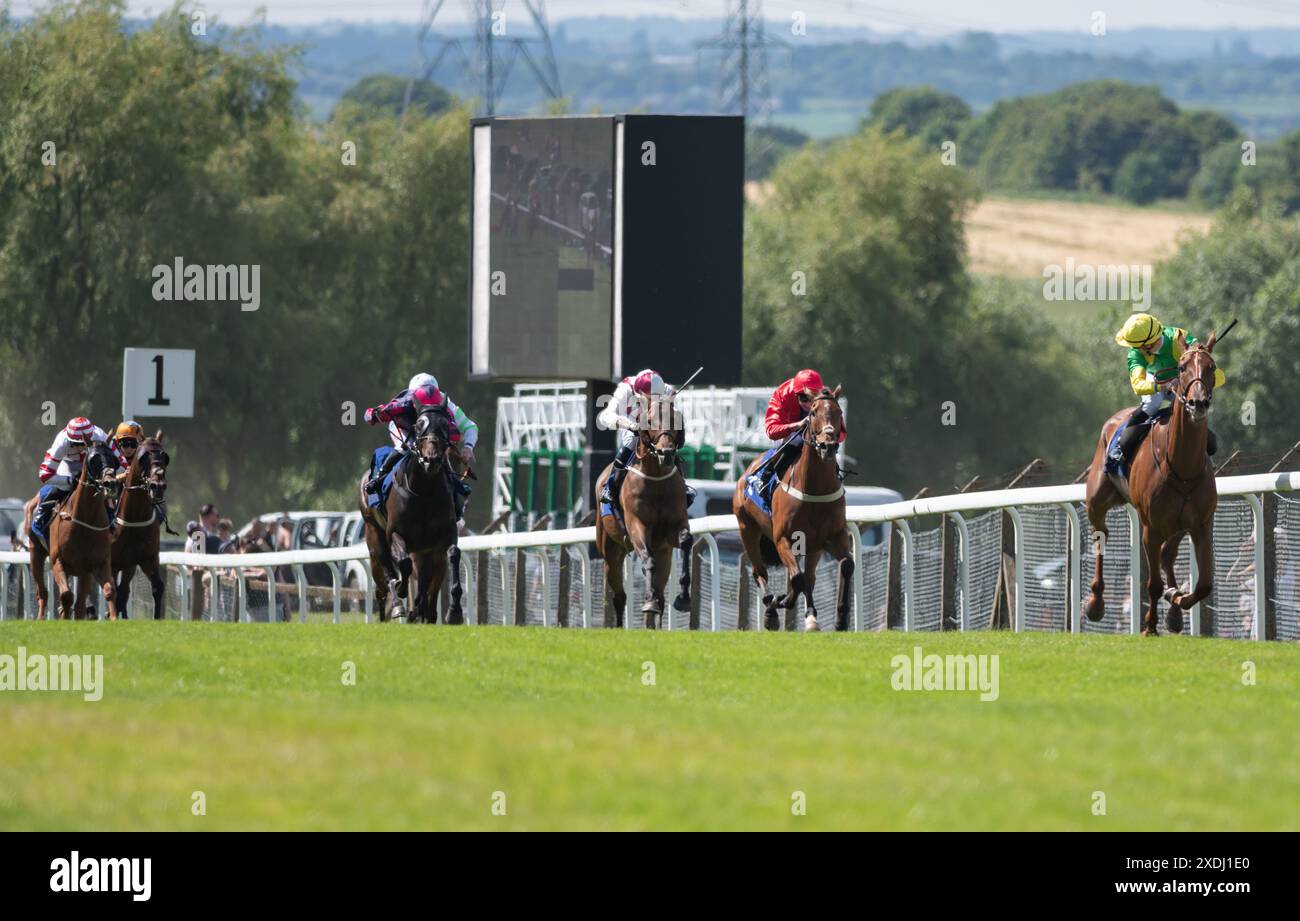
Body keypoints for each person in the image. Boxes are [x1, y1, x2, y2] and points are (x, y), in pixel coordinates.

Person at [1109, 313, 1225, 470]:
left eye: (1138, 346)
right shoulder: (1136, 354)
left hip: (1182, 378)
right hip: (1154, 380)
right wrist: (1162, 386)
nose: (1135, 349)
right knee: (1152, 403)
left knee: (1190, 408)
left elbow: (1196, 362)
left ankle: (1205, 454)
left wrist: (1201, 352)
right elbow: (1138, 385)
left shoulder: (1178, 337)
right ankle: (1119, 446)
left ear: (1148, 344)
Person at [363, 373, 478, 522]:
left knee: (443, 453)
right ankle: (378, 479)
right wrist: (373, 414)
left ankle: (456, 491)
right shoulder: (403, 402)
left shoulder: (447, 404)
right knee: (405, 447)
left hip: (431, 431)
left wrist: (468, 447)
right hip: (404, 427)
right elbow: (375, 414)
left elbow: (470, 426)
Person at [597, 368, 695, 511]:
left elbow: (674, 417)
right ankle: (610, 487)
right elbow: (605, 417)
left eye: (657, 397)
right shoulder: (625, 389)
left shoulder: (665, 389)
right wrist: (632, 425)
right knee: (630, 442)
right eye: (650, 399)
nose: (653, 401)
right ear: (639, 393)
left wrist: (671, 405)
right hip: (630, 421)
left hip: (656, 424)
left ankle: (682, 486)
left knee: (667, 444)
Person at [746, 369, 845, 498]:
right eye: (803, 398)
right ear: (795, 393)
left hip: (813, 428)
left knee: (824, 445)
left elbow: (842, 434)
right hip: (786, 430)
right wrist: (797, 425)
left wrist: (828, 436)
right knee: (796, 441)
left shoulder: (825, 398)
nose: (808, 403)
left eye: (812, 397)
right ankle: (766, 475)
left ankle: (834, 473)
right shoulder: (782, 395)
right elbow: (772, 431)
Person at [29, 417, 123, 551]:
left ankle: (112, 522)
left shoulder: (101, 436)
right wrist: (70, 481)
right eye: (74, 444)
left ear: (90, 438)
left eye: (82, 444)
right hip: (67, 465)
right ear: (69, 439)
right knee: (56, 489)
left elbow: (122, 465)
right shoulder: (61, 442)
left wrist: (107, 475)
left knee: (108, 488)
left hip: (93, 464)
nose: (79, 448)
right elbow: (44, 474)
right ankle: (40, 520)